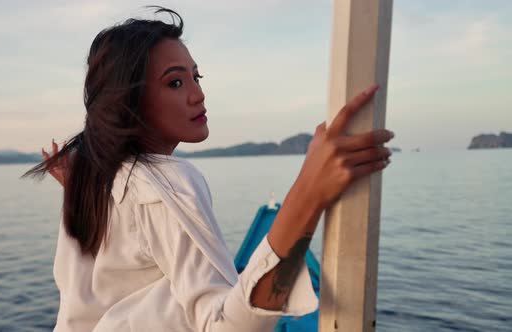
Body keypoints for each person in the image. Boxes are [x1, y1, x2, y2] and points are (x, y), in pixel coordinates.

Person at [25, 6, 394, 332]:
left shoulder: (98, 181)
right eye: (174, 82)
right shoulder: (166, 181)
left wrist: (82, 187)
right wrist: (309, 192)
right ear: (128, 104)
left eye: (195, 77)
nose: (197, 93)